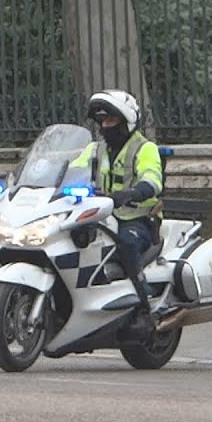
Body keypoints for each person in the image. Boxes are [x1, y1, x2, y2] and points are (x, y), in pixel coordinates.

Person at [71, 90, 165, 339]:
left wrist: (132, 193)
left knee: (126, 243)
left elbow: (153, 181)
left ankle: (145, 307)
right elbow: (69, 171)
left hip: (137, 219)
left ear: (126, 122)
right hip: (99, 216)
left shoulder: (145, 149)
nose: (105, 126)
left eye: (111, 121)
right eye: (102, 121)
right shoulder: (94, 149)